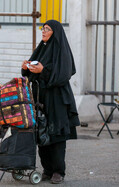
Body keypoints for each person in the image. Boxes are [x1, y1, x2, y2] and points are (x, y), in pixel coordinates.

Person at [21, 20, 80, 184]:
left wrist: (43, 70)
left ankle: (58, 171)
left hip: (57, 99)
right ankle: (47, 169)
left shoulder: (61, 51)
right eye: (43, 28)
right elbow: (31, 75)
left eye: (47, 29)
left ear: (55, 32)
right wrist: (26, 68)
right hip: (40, 98)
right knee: (41, 134)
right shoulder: (41, 49)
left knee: (57, 135)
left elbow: (63, 75)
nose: (43, 31)